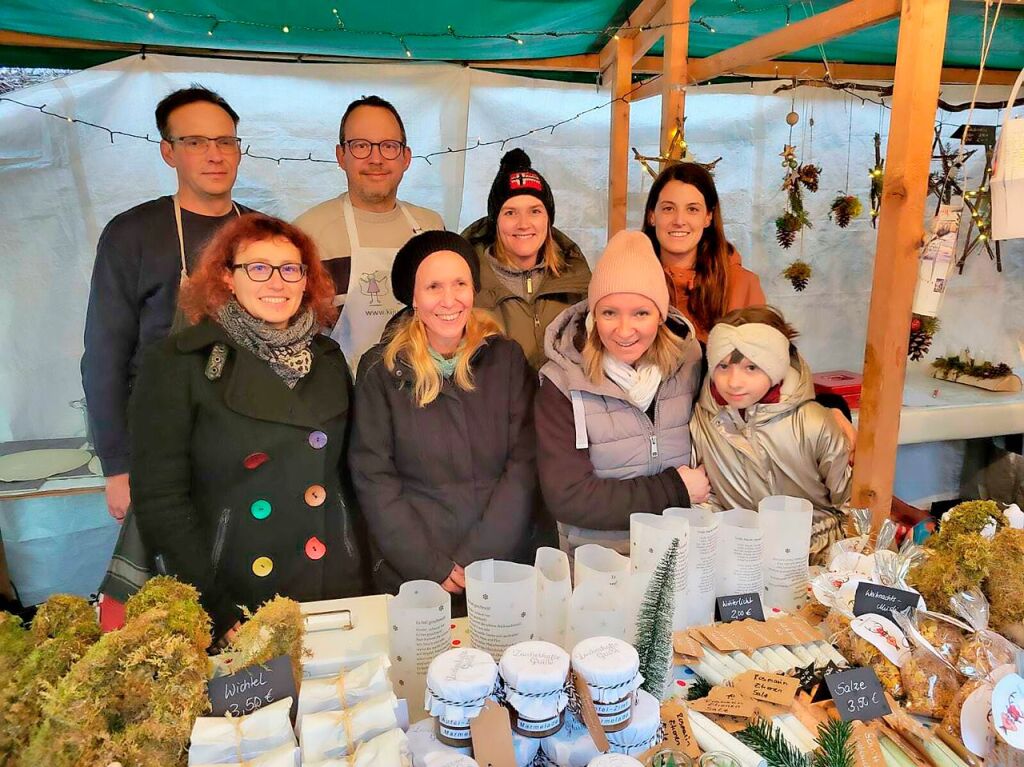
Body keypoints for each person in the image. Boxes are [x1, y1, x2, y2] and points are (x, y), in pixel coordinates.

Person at [130, 214, 366, 642]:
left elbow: (350, 474)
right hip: (238, 594)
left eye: (290, 269)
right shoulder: (178, 364)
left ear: (306, 281)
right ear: (227, 277)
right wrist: (213, 605)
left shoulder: (329, 359)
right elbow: (161, 500)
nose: (276, 282)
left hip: (334, 584)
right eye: (258, 268)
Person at [82, 85, 256, 523]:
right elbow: (104, 355)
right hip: (163, 442)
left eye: (225, 142)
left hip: (251, 434)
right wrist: (118, 467)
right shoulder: (133, 234)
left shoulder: (261, 233)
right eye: (195, 142)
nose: (214, 155)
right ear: (168, 152)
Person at [349, 231, 536, 607]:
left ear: (474, 289)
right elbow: (374, 478)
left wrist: (480, 555)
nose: (449, 300)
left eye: (460, 284)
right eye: (433, 286)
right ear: (413, 298)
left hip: (503, 565)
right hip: (415, 575)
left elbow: (525, 463)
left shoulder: (506, 359)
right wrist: (427, 564)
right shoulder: (381, 370)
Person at [535, 229, 710, 561]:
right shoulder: (562, 383)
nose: (624, 330)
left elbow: (760, 378)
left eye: (640, 313)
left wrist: (830, 409)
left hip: (683, 553)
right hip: (599, 563)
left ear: (660, 315)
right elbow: (570, 497)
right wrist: (675, 489)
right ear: (593, 315)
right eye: (610, 313)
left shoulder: (692, 363)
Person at [295, 95, 445, 371]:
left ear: (406, 157)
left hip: (422, 392)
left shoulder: (432, 228)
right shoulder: (307, 234)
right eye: (361, 146)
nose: (376, 158)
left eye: (388, 146)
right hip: (342, 398)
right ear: (341, 155)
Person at [690, 305, 851, 561]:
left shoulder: (812, 423)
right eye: (723, 367)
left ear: (776, 367)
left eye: (751, 367)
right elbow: (707, 497)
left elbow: (849, 500)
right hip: (740, 558)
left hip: (817, 556)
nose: (734, 381)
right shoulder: (703, 421)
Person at [461, 148, 591, 370]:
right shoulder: (464, 282)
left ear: (548, 219)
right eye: (510, 212)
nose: (523, 224)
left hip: (561, 402)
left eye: (535, 211)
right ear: (496, 221)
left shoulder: (578, 279)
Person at [641, 162, 764, 342]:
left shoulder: (743, 285)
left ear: (708, 217)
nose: (679, 220)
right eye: (668, 208)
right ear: (652, 215)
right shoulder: (627, 280)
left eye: (692, 209)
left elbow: (762, 361)